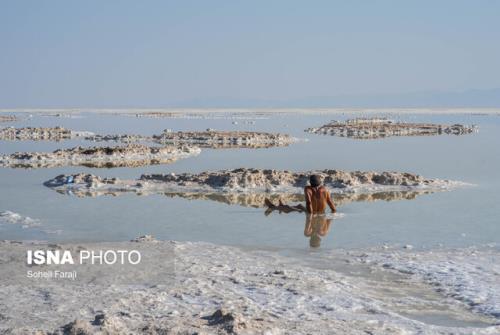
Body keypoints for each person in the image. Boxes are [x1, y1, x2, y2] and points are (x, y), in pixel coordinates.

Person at [264, 174, 336, 214]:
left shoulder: (308, 189)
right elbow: (330, 202)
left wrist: (310, 215)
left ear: (310, 183)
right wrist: (334, 211)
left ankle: (273, 207)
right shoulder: (325, 189)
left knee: (295, 208)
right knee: (299, 206)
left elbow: (309, 203)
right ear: (320, 182)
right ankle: (281, 206)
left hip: (311, 212)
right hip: (321, 212)